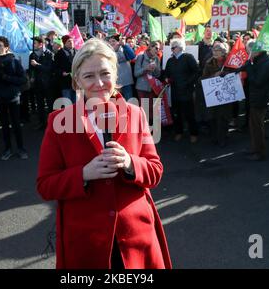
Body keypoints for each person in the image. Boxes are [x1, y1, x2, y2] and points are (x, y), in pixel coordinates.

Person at [36, 38, 172, 269]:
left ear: (116, 76)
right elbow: (45, 185)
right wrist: (83, 174)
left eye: (105, 74)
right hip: (86, 243)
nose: (99, 83)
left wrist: (131, 163)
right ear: (76, 81)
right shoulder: (58, 121)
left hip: (137, 238)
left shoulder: (136, 113)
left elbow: (155, 171)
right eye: (89, 76)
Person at [0, 36, 28, 160]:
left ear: (6, 47)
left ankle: (21, 148)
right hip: (0, 98)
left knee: (16, 124)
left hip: (13, 98)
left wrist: (5, 77)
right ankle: (7, 149)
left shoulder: (14, 61)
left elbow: (23, 79)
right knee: (4, 126)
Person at [164, 38, 199, 143]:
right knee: (176, 113)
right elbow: (166, 73)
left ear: (179, 47)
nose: (171, 50)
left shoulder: (188, 57)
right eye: (171, 48)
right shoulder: (170, 60)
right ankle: (178, 132)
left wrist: (188, 82)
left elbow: (196, 71)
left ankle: (194, 133)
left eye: (173, 47)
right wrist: (166, 78)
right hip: (174, 91)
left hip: (186, 91)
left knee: (189, 114)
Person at [200, 43, 233, 147]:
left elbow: (235, 75)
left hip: (226, 94)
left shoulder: (230, 63)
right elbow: (203, 79)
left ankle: (223, 137)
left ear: (224, 53)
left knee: (224, 117)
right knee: (213, 117)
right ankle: (215, 137)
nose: (215, 52)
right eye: (214, 50)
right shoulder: (209, 63)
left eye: (218, 51)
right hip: (213, 95)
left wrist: (226, 74)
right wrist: (214, 75)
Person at [29, 36, 55, 129]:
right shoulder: (32, 55)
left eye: (34, 43)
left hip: (47, 84)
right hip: (37, 84)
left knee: (49, 104)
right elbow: (31, 69)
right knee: (39, 105)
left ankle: (52, 123)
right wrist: (31, 76)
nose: (33, 45)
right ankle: (42, 123)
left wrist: (37, 65)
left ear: (41, 44)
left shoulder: (49, 54)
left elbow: (49, 69)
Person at [109, 34, 136, 101]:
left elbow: (132, 56)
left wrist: (124, 45)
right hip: (115, 83)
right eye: (110, 41)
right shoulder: (108, 52)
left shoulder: (124, 49)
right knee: (116, 103)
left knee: (129, 102)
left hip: (126, 82)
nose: (111, 43)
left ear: (118, 42)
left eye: (113, 41)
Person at [54, 35, 77, 103]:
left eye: (72, 41)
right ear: (64, 43)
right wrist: (62, 73)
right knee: (68, 103)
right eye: (69, 41)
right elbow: (55, 68)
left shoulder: (78, 52)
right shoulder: (59, 54)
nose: (71, 42)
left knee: (78, 103)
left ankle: (78, 114)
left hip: (77, 83)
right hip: (66, 83)